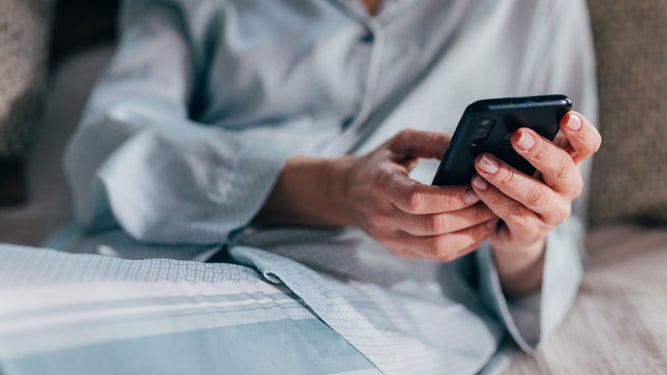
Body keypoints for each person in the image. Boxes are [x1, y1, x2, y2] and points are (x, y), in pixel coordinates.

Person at [55, 0, 601, 373]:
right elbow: (105, 146)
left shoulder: (538, 9)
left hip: (377, 308)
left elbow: (561, 233)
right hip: (153, 263)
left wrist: (523, 232)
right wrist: (330, 189)